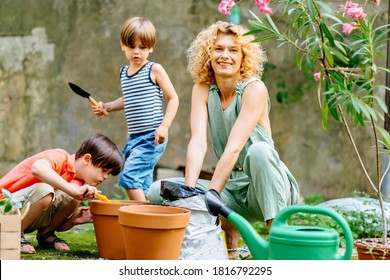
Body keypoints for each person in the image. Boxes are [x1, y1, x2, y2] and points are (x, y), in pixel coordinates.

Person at [147, 21, 299, 258]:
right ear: (208, 53)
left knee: (259, 150)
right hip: (231, 190)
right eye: (218, 49)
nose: (224, 55)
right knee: (158, 191)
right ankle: (231, 234)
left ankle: (278, 243)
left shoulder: (254, 89)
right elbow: (197, 142)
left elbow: (234, 147)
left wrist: (211, 195)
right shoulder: (202, 89)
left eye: (233, 50)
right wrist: (188, 194)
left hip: (266, 188)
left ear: (243, 57)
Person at [92, 17, 179, 201]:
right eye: (132, 47)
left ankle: (143, 220)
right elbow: (129, 99)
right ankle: (150, 213)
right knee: (143, 183)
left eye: (143, 47)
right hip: (134, 138)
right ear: (123, 45)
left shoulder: (154, 69)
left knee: (129, 177)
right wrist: (106, 106)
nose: (137, 52)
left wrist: (164, 126)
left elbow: (173, 98)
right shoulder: (124, 73)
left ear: (151, 47)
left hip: (152, 136)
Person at [0, 134, 124, 254]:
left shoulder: (78, 184)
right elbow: (37, 168)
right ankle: (11, 234)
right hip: (4, 208)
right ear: (87, 159)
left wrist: (72, 220)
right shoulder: (60, 157)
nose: (106, 177)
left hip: (22, 214)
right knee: (45, 190)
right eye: (104, 170)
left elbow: (55, 221)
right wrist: (73, 191)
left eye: (109, 174)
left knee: (73, 195)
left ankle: (46, 235)